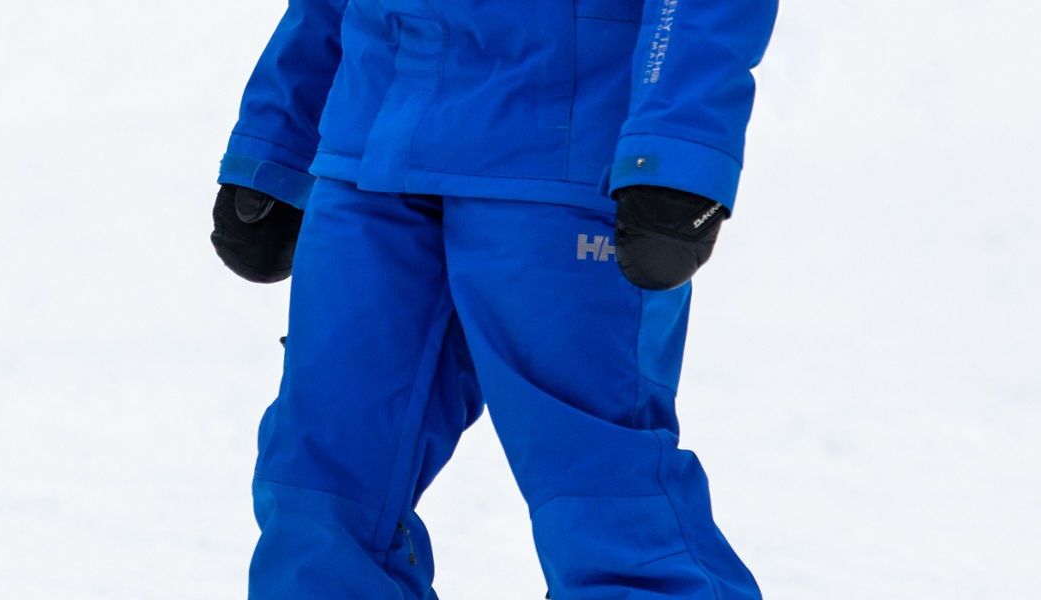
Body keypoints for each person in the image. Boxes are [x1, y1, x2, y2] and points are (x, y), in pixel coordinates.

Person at [209, 1, 777, 598]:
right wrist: (278, 139)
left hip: (560, 145)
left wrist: (678, 150)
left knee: (605, 496)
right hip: (373, 141)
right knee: (321, 483)